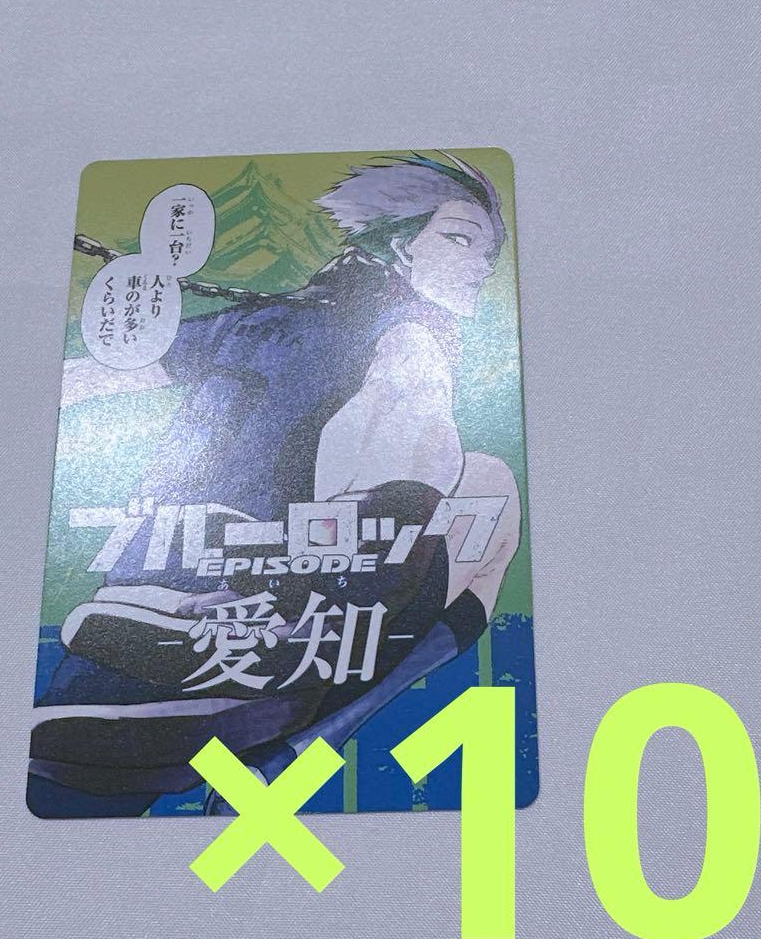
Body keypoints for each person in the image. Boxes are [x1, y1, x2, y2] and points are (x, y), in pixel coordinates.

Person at [27, 154, 521, 817]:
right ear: (400, 245)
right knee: (489, 489)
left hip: (129, 629)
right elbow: (408, 454)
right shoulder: (409, 336)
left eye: (489, 252)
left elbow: (91, 376)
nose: (481, 266)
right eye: (460, 238)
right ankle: (295, 744)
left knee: (64, 806)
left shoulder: (257, 321)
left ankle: (228, 657)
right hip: (262, 652)